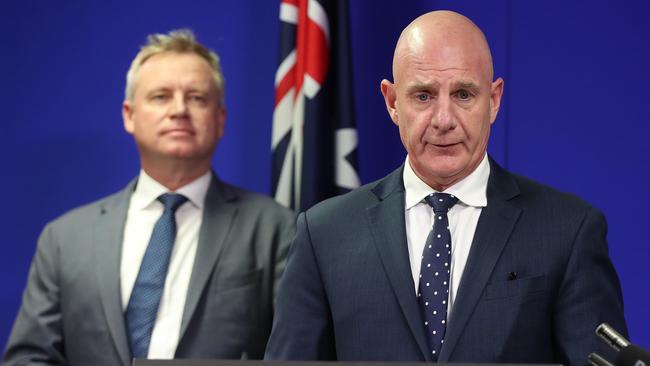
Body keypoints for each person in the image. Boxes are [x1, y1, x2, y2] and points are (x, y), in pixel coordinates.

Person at [264, 10, 627, 366]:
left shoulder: (568, 231)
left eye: (464, 95)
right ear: (392, 102)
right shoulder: (324, 233)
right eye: (423, 96)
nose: (443, 120)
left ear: (494, 100)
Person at [3, 29, 295, 365]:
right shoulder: (64, 238)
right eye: (160, 96)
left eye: (197, 97)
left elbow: (293, 353)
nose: (179, 110)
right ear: (129, 115)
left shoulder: (277, 229)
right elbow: (30, 358)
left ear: (220, 119)